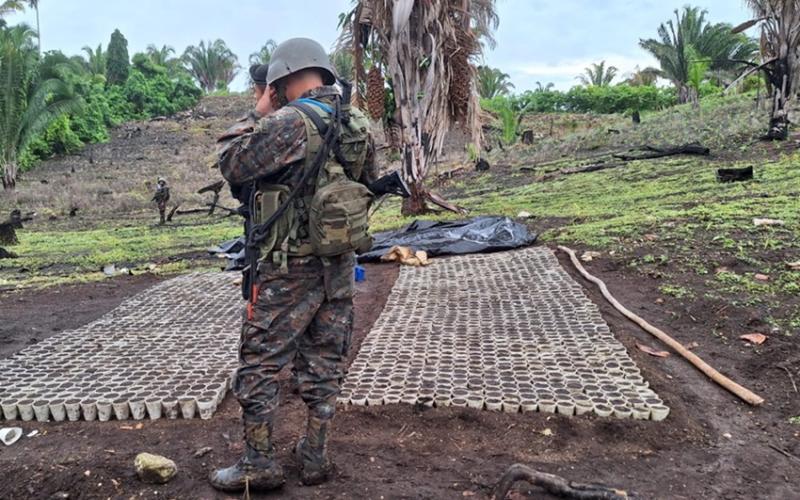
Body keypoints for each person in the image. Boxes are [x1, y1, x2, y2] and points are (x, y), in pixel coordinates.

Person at [210, 38, 378, 493]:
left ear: (281, 81)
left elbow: (232, 163)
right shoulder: (356, 122)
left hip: (289, 269)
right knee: (324, 361)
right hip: (338, 265)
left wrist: (258, 111)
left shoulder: (288, 121)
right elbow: (366, 183)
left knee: (260, 363)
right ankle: (315, 457)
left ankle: (259, 462)